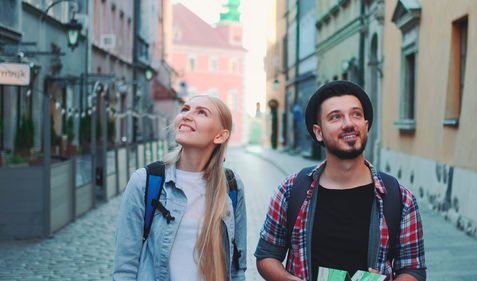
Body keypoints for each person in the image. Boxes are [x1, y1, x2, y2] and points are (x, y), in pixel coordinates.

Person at [254, 81, 426, 281]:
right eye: (336, 117)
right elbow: (267, 255)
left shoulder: (399, 198)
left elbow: (413, 269)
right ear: (318, 132)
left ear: (366, 126)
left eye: (356, 115)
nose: (349, 124)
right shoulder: (291, 190)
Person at [113, 95, 247, 281]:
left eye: (201, 112)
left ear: (220, 135)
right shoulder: (146, 181)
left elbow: (237, 268)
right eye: (185, 109)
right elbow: (124, 268)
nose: (187, 115)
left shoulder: (232, 186)